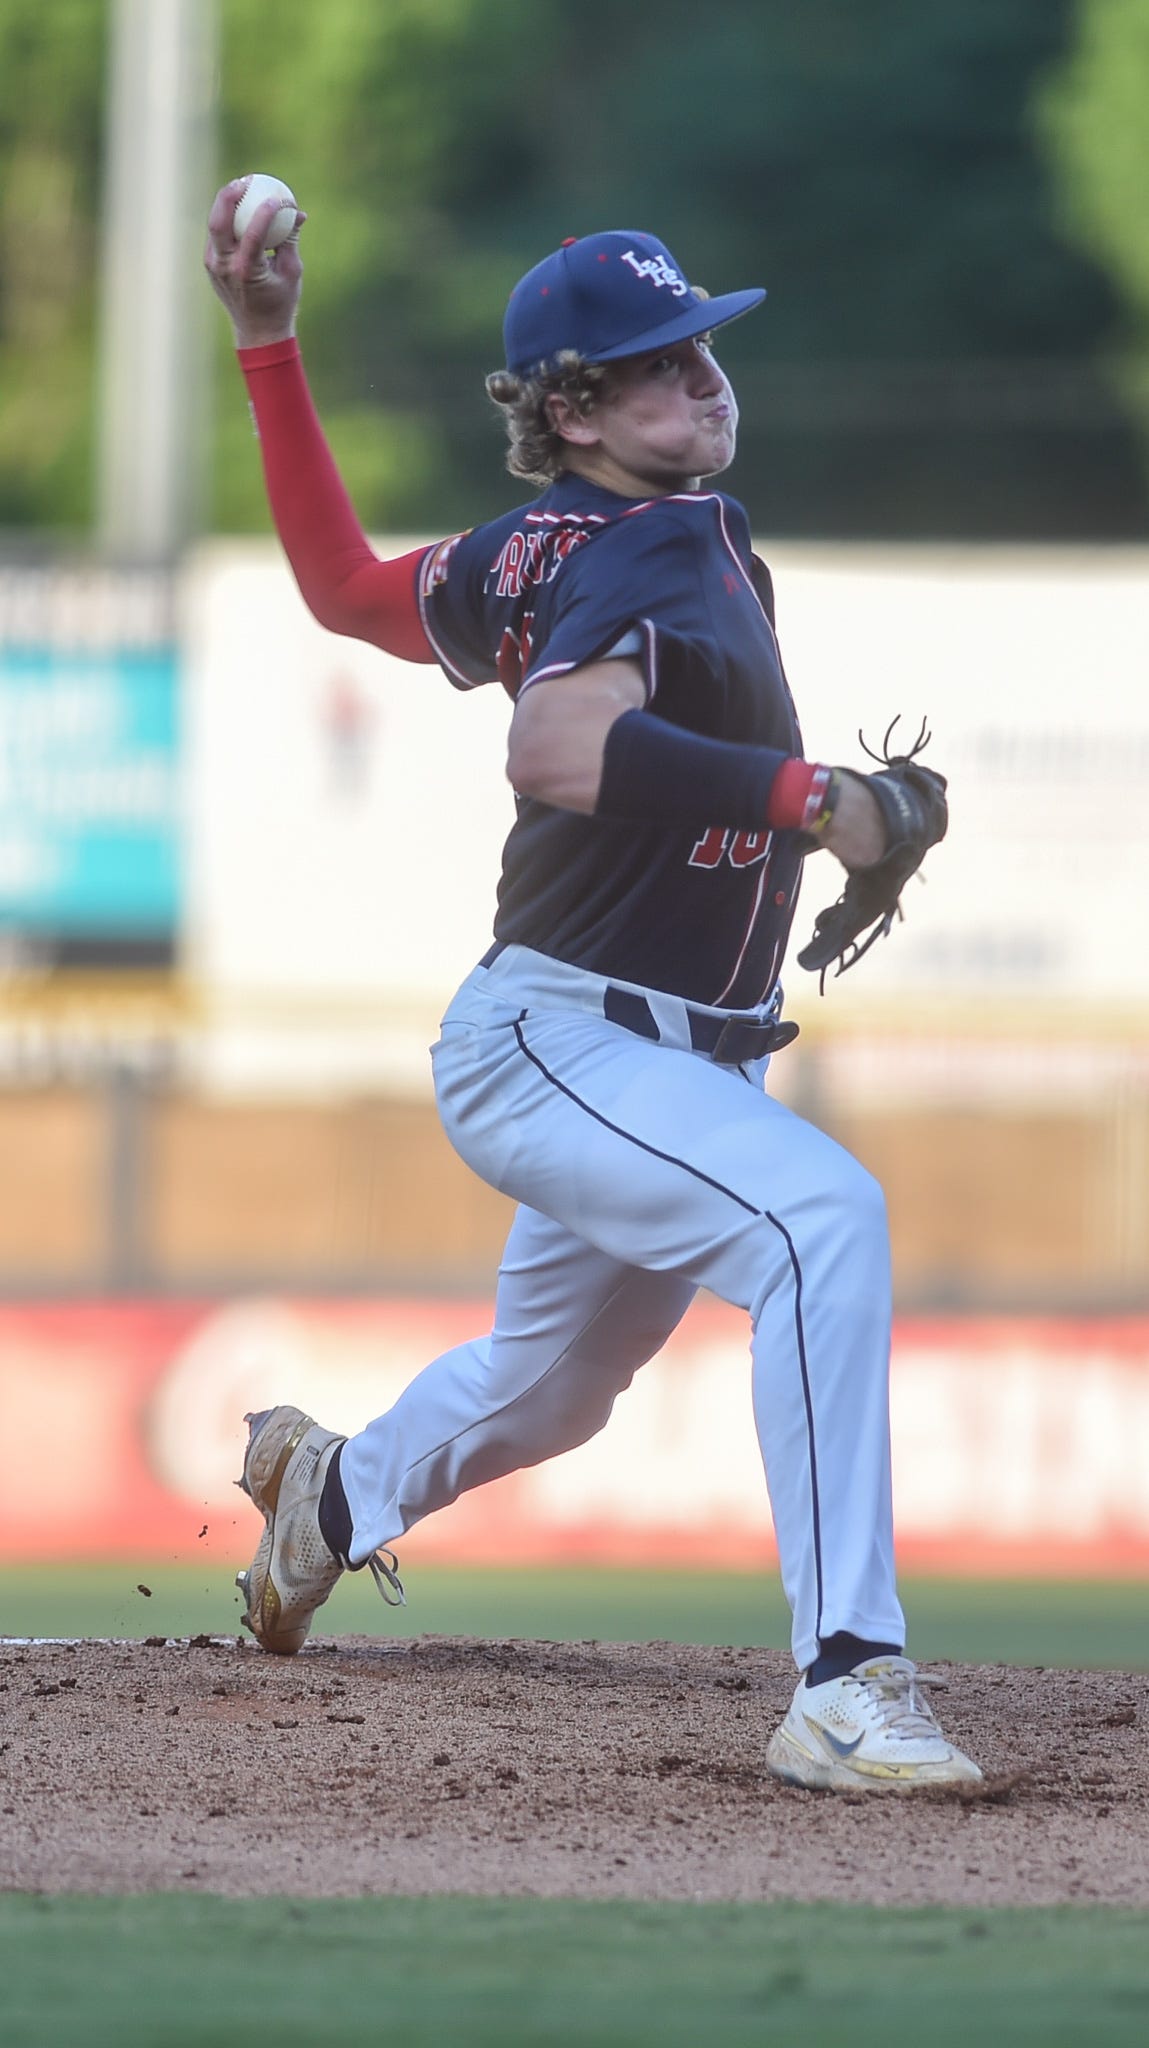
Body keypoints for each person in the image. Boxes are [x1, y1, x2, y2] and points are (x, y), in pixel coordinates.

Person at [204, 180, 981, 1793]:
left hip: (659, 1061)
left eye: (703, 350)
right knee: (814, 1221)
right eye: (655, 363)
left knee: (552, 1389)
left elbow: (345, 588)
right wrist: (803, 799)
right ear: (568, 407)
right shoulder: (630, 553)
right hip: (555, 1037)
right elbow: (559, 753)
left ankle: (329, 1493)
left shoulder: (554, 547)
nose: (701, 379)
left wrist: (271, 352)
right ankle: (845, 1678)